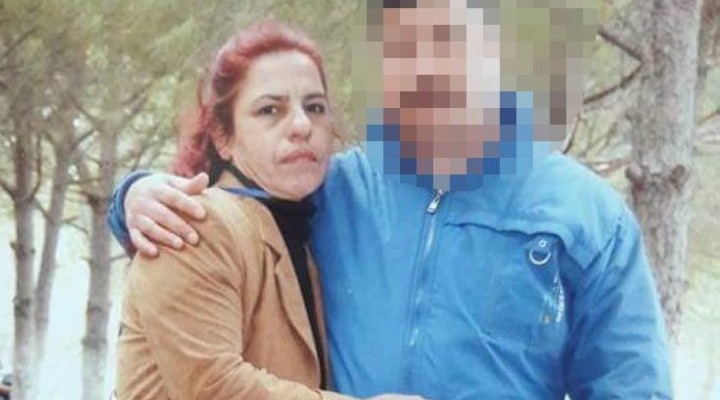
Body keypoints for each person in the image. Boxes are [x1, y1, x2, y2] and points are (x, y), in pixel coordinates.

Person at [109, 1, 672, 399]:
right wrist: (132, 195)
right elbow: (232, 212)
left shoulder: (586, 215)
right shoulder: (338, 185)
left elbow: (630, 385)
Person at [115, 20, 421, 400]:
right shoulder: (193, 222)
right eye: (270, 110)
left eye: (315, 107)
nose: (301, 126)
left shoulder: (298, 229)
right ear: (223, 137)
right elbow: (212, 387)